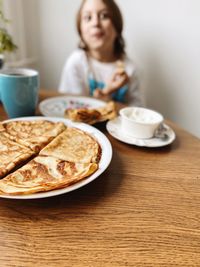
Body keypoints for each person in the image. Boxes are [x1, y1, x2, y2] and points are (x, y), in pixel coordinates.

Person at [59, 0, 143, 106]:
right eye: (88, 18)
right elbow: (71, 109)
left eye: (104, 16)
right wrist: (105, 92)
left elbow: (138, 113)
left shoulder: (130, 69)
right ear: (80, 29)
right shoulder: (76, 63)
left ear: (117, 25)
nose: (95, 23)